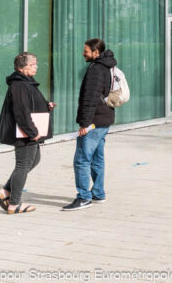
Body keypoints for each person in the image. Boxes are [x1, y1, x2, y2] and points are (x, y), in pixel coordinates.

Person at [0, 52, 56, 214]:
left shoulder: (27, 82)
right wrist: (32, 132)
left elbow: (30, 103)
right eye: (32, 64)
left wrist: (46, 105)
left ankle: (5, 191)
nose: (36, 67)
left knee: (34, 160)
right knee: (23, 165)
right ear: (21, 68)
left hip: (29, 130)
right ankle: (14, 204)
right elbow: (21, 111)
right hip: (25, 132)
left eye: (36, 63)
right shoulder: (19, 84)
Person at [62, 38, 116, 211]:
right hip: (104, 119)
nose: (83, 53)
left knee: (81, 160)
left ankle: (84, 197)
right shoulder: (107, 66)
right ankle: (98, 193)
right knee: (97, 158)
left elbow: (90, 98)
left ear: (96, 52)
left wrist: (85, 123)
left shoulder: (96, 69)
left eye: (86, 51)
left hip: (94, 122)